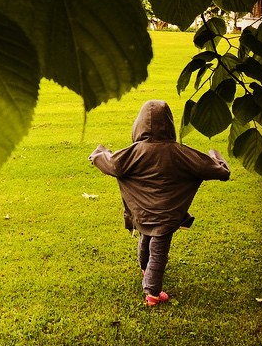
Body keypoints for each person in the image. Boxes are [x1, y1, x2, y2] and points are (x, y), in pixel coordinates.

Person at [88, 100, 230, 307]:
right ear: (169, 124)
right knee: (159, 251)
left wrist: (98, 153)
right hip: (167, 214)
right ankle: (152, 293)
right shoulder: (180, 152)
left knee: (146, 237)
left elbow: (111, 163)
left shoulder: (132, 153)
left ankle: (145, 270)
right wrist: (215, 157)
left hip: (142, 213)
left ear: (138, 125)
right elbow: (217, 171)